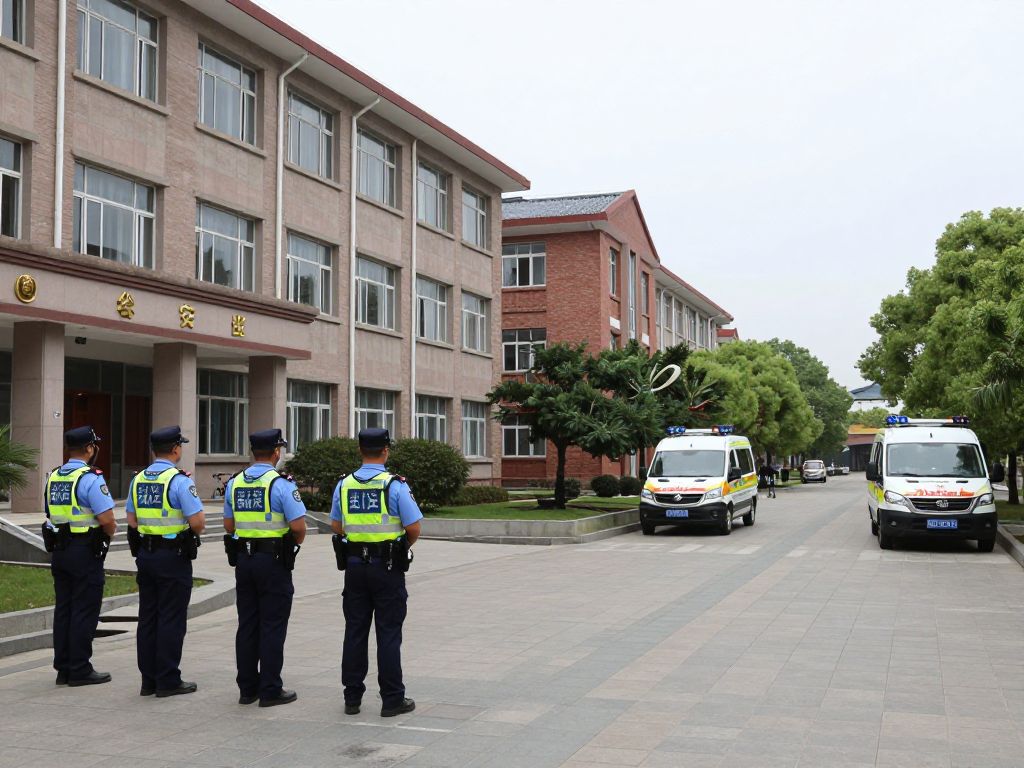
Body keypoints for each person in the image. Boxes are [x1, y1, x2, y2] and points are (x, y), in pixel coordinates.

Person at [331, 427, 422, 718]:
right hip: (387, 568)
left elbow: (336, 525)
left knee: (355, 631)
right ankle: (392, 699)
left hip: (355, 568)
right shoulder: (393, 485)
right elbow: (414, 527)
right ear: (385, 450)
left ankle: (352, 698)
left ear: (360, 450)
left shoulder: (344, 484)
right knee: (388, 632)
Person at [223, 429, 306, 707]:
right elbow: (298, 527)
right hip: (272, 562)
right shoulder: (281, 484)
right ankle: (270, 688)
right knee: (272, 624)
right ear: (276, 452)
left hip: (244, 561)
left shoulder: (235, 483)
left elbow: (228, 525)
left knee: (247, 623)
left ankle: (247, 689)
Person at [126, 426, 206, 698]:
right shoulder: (179, 481)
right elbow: (198, 523)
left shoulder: (137, 480)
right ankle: (168, 679)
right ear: (175, 449)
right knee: (171, 617)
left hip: (146, 555)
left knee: (148, 616)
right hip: (172, 557)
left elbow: (132, 520)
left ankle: (148, 680)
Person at [44, 426, 116, 686]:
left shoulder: (54, 476)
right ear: (89, 448)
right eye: (94, 446)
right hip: (84, 550)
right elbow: (107, 519)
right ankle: (80, 668)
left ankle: (63, 668)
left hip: (60, 550)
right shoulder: (90, 477)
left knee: (64, 609)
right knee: (84, 609)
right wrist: (110, 533)